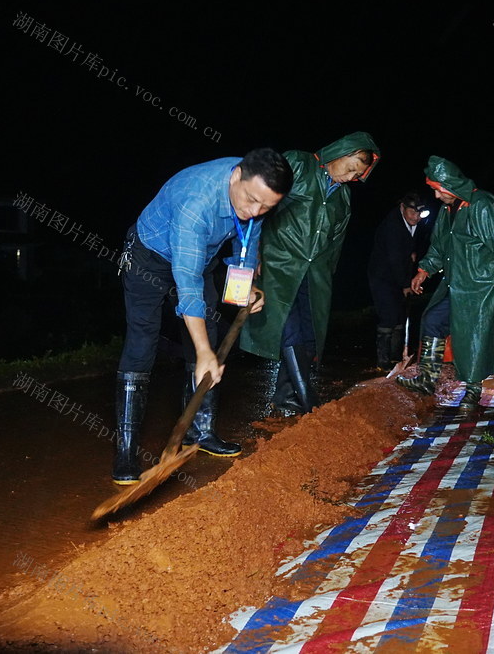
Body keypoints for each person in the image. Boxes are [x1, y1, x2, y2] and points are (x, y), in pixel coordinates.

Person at [112, 148, 293, 485]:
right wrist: (204, 353)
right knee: (143, 342)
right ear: (236, 176)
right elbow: (188, 285)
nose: (254, 211)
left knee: (206, 337)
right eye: (252, 200)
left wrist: (245, 288)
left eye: (266, 207)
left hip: (201, 260)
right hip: (148, 258)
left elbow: (247, 241)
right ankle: (125, 453)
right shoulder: (196, 202)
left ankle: (202, 433)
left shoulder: (257, 193)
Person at [241, 132, 380, 415]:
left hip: (313, 274)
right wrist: (252, 251)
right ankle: (308, 401)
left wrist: (325, 280)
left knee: (307, 334)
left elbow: (335, 245)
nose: (351, 177)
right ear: (340, 152)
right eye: (351, 167)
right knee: (288, 327)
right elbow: (261, 204)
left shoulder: (343, 199)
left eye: (358, 174)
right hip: (278, 264)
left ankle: (285, 398)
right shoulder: (299, 165)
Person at [396, 156, 494, 409]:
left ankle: (473, 389)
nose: (436, 195)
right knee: (432, 320)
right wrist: (424, 271)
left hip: (481, 287)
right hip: (455, 284)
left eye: (437, 189)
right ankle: (427, 379)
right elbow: (439, 247)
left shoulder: (482, 205)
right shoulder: (447, 210)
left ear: (450, 185)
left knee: (472, 336)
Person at [367, 191, 428, 370]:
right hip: (383, 276)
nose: (416, 217)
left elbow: (412, 245)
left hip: (399, 273)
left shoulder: (414, 223)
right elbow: (394, 257)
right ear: (402, 208)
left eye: (419, 213)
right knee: (389, 315)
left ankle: (397, 357)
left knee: (401, 315)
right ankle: (383, 362)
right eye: (412, 212)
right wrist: (405, 285)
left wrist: (412, 253)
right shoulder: (392, 226)